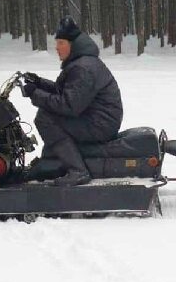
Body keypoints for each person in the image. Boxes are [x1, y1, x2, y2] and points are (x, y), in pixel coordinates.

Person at [22, 16, 123, 186]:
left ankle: (78, 171)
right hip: (97, 118)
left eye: (61, 43)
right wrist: (39, 83)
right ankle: (50, 163)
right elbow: (68, 92)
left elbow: (69, 106)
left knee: (46, 118)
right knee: (49, 114)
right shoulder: (82, 63)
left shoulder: (83, 68)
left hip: (101, 124)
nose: (56, 47)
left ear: (73, 45)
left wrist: (35, 94)